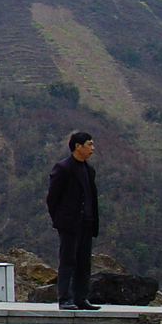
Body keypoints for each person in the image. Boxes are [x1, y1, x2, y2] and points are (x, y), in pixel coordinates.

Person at [46, 131, 101, 311]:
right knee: (68, 261)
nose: (92, 149)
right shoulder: (63, 168)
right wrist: (60, 220)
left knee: (84, 262)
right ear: (78, 146)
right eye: (89, 144)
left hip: (86, 221)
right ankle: (65, 298)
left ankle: (81, 297)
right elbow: (52, 198)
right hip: (70, 223)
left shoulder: (89, 169)